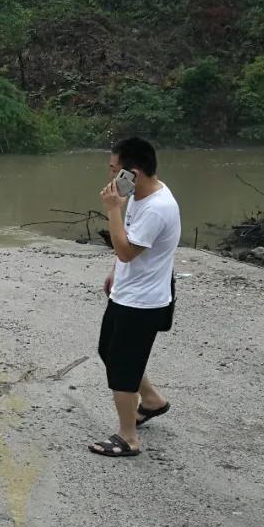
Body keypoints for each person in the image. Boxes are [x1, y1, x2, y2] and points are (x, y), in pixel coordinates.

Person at [89, 137, 180, 458]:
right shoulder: (140, 196)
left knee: (123, 370)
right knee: (109, 351)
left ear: (135, 173)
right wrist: (115, 271)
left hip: (142, 302)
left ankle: (128, 438)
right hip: (127, 291)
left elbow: (126, 250)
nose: (111, 178)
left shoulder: (157, 207)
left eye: (116, 171)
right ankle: (153, 400)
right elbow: (128, 248)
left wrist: (113, 209)